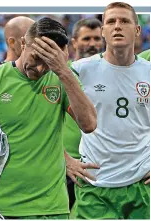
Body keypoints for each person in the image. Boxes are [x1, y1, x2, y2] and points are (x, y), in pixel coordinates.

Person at [0, 17, 97, 219]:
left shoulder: (62, 78)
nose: (41, 69)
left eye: (48, 62)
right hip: (3, 208)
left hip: (53, 208)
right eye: (36, 58)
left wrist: (63, 71)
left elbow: (89, 124)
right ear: (23, 43)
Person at [70, 2, 150, 219]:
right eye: (111, 22)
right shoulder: (80, 70)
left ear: (137, 30)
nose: (117, 26)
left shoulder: (149, 72)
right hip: (96, 186)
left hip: (142, 186)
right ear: (103, 30)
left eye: (124, 21)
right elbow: (41, 115)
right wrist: (64, 159)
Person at [64, 17, 104, 210]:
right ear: (74, 42)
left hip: (100, 165)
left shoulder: (112, 74)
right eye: (86, 39)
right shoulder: (61, 74)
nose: (92, 44)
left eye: (97, 39)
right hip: (66, 164)